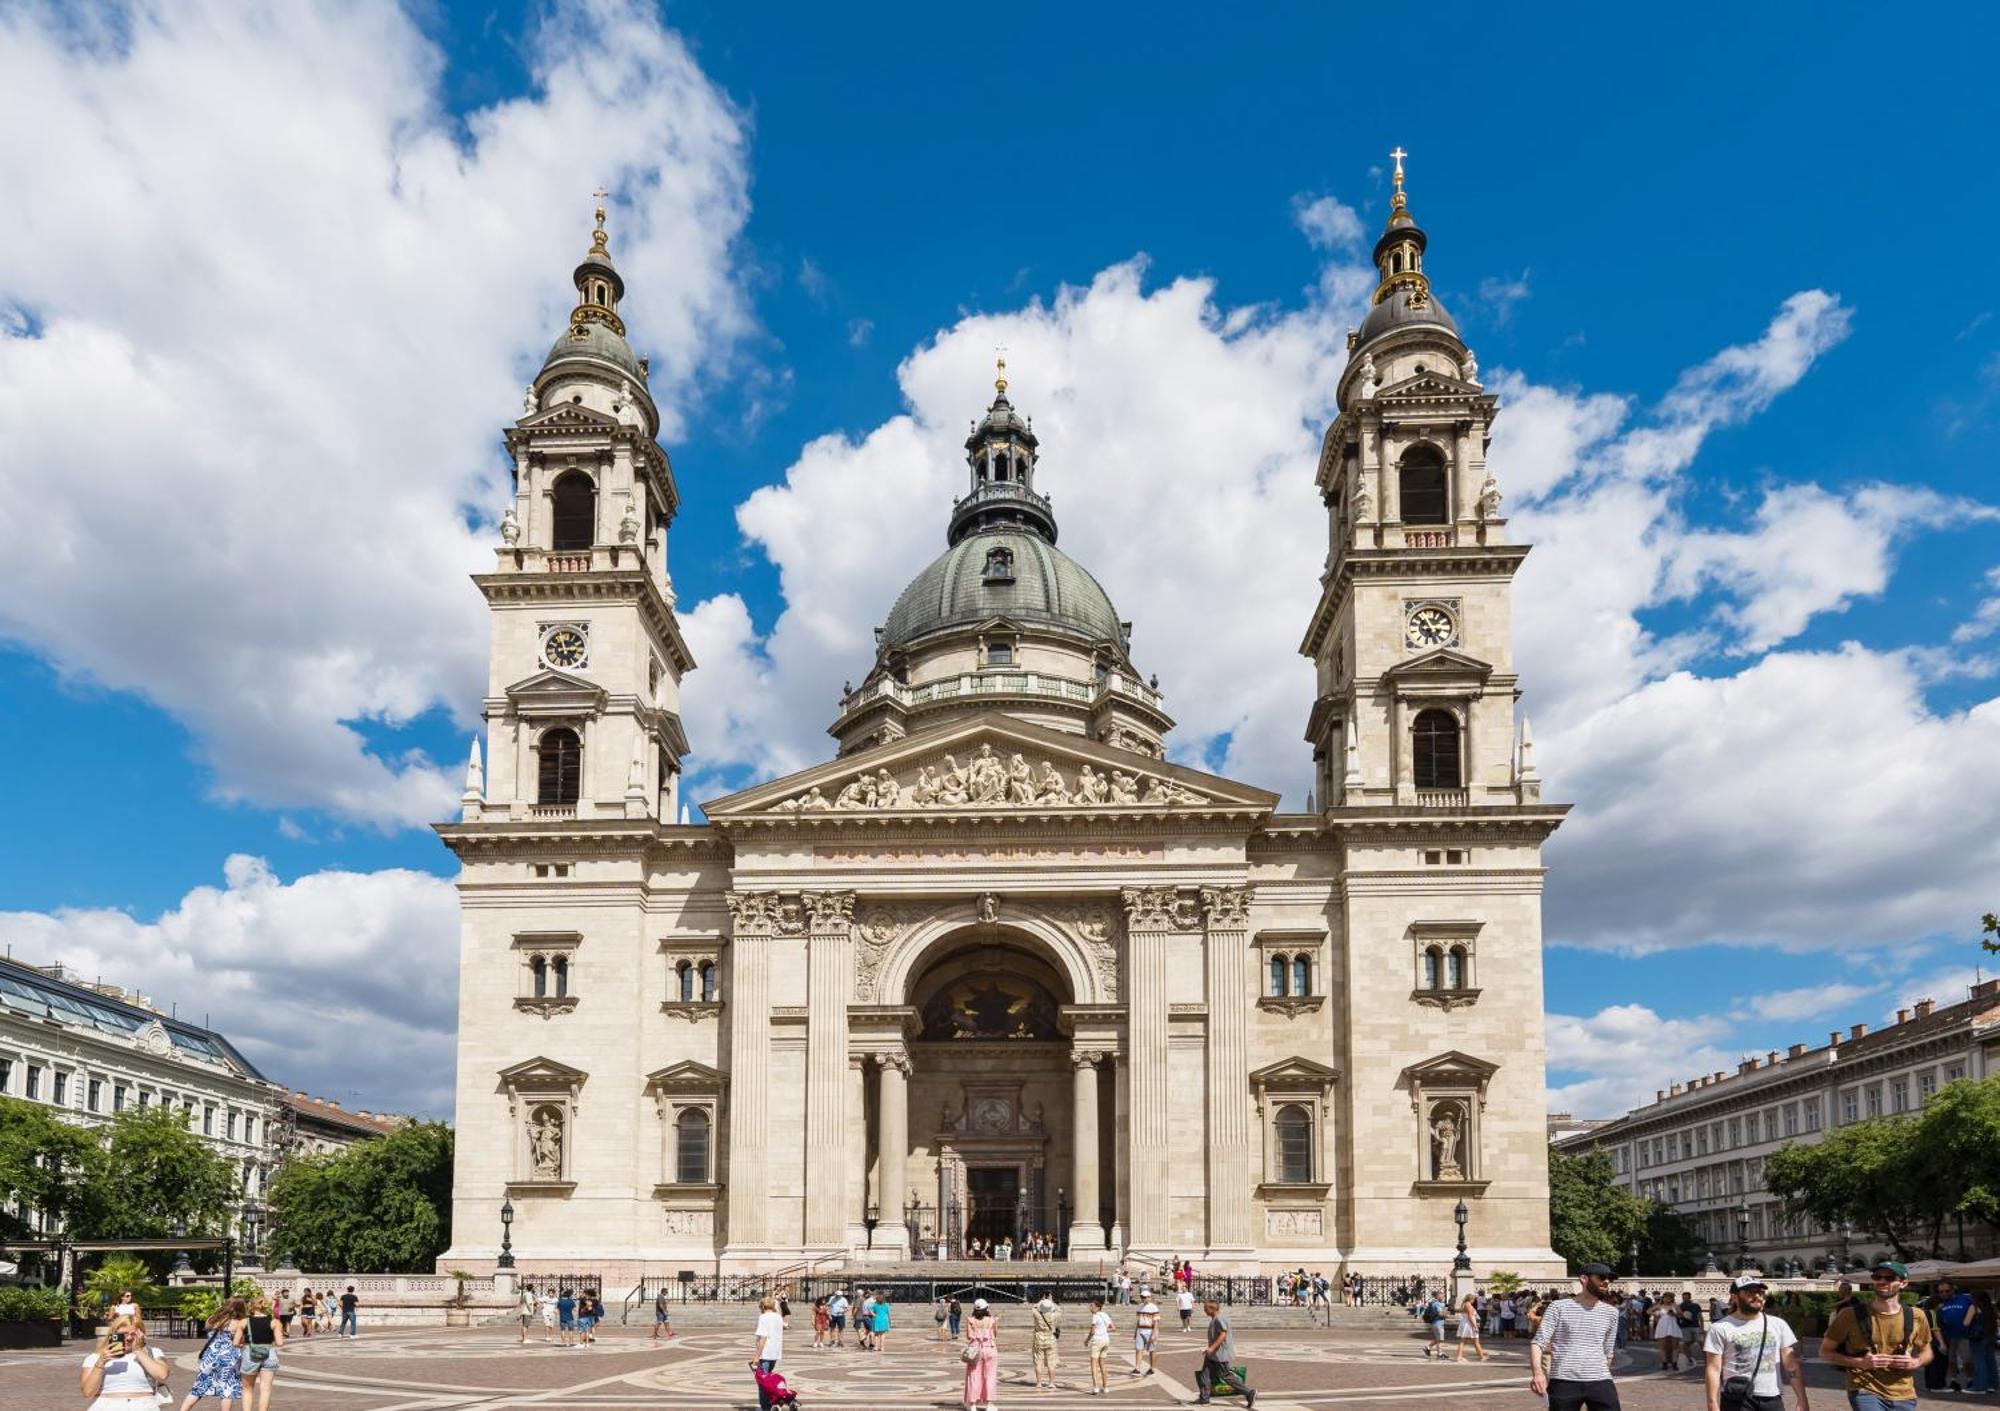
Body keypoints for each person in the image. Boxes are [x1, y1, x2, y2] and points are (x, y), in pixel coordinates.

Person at [1818, 1260, 1934, 1411]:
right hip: (1865, 1389)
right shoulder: (1850, 1314)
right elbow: (1825, 1352)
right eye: (1877, 1277)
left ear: (1903, 1283)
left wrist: (1915, 1362)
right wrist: (1860, 1362)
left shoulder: (1916, 1315)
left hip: (1904, 1392)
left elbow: (1927, 1352)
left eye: (1889, 1278)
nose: (1881, 1281)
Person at [1701, 1273, 1805, 1411]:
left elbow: (1790, 1364)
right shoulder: (1719, 1328)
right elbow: (1713, 1369)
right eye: (1750, 1292)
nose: (1757, 1296)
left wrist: (1802, 1399)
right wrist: (1712, 1404)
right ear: (1734, 1297)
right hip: (1737, 1399)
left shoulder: (1778, 1324)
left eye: (1760, 1292)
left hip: (1772, 1398)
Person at [1530, 1262, 1622, 1411]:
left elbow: (1608, 1351)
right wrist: (1538, 1373)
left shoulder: (1611, 1313)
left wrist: (1599, 1370)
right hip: (1564, 1381)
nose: (1606, 1282)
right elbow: (1538, 1342)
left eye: (1609, 1279)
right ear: (1584, 1279)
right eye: (1601, 1277)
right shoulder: (1558, 1307)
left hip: (1601, 1381)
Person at [83, 1316, 171, 1410]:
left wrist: (138, 1350)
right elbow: (88, 1392)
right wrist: (101, 1362)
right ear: (113, 1334)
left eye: (133, 1334)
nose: (129, 1338)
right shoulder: (95, 1358)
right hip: (107, 1405)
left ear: (141, 1334)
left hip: (144, 1405)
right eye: (123, 1334)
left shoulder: (152, 1352)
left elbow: (162, 1375)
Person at [178, 1299, 246, 1411]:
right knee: (227, 1389)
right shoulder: (238, 1323)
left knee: (199, 1387)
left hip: (211, 1355)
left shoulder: (212, 1320)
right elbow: (239, 1342)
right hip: (229, 1357)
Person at [1194, 1299, 1254, 1407]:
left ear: (1212, 1309)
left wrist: (1211, 1348)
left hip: (1219, 1355)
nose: (1204, 1310)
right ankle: (1204, 1398)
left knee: (1226, 1376)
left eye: (1205, 1308)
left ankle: (1249, 1393)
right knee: (1205, 1374)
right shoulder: (1217, 1319)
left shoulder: (1218, 1319)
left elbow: (1223, 1334)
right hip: (1213, 1355)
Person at [235, 1294, 285, 1411]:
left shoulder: (244, 1322)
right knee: (266, 1389)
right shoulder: (274, 1322)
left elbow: (235, 1342)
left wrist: (243, 1344)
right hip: (269, 1353)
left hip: (250, 1352)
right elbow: (280, 1343)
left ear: (251, 1306)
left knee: (247, 1389)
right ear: (265, 1306)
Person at [962, 1298, 999, 1411]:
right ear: (986, 1308)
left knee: (973, 1376)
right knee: (990, 1376)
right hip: (990, 1349)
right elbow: (995, 1334)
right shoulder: (992, 1320)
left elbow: (969, 1336)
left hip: (975, 1350)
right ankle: (989, 1404)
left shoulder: (970, 1320)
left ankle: (972, 1404)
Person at [1938, 1280, 1975, 1393]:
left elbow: (1976, 1308)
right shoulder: (1939, 1303)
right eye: (1941, 1292)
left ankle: (1971, 1380)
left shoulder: (1965, 1299)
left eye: (1947, 1291)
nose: (1944, 1293)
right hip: (1949, 1336)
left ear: (1953, 1290)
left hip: (1965, 1335)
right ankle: (1954, 1381)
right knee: (1951, 1360)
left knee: (1967, 1359)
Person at [752, 1295, 786, 1411]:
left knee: (763, 1382)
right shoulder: (778, 1317)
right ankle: (772, 1403)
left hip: (765, 1352)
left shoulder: (763, 1317)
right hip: (775, 1352)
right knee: (768, 1380)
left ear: (762, 1306)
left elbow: (763, 1337)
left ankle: (765, 1407)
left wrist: (757, 1355)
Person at [1030, 1292, 1062, 1390]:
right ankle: (1051, 1382)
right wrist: (1050, 1301)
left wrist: (1042, 1300)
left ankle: (1039, 1382)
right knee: (1051, 1361)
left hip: (1039, 1337)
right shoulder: (1054, 1315)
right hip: (1050, 1337)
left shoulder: (1036, 1313)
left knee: (1038, 1360)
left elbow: (1034, 1307)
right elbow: (1059, 1309)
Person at [1086, 1298, 1113, 1396]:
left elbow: (1092, 1331)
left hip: (1097, 1341)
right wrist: (1103, 1331)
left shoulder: (1095, 1316)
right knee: (1103, 1364)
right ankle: (1105, 1387)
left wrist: (1087, 1340)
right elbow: (1113, 1327)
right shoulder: (1105, 1315)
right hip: (1106, 1340)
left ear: (1097, 1307)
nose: (1090, 1308)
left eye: (1092, 1306)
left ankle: (1095, 1387)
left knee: (1094, 1364)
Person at [1652, 1291, 1683, 1372]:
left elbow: (1681, 1314)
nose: (1667, 1299)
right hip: (1662, 1325)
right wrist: (1656, 1314)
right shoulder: (1659, 1305)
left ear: (1672, 1299)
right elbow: (1648, 1311)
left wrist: (1674, 1314)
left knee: (1675, 1345)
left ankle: (1674, 1363)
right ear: (1663, 1298)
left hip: (1673, 1325)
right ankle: (1664, 1363)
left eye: (1669, 1298)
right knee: (1662, 1345)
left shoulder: (1675, 1306)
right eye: (1666, 1297)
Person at [1457, 1290, 1490, 1364]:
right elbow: (1470, 1316)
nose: (1474, 1301)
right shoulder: (1468, 1305)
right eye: (1473, 1299)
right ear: (1471, 1299)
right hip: (1469, 1324)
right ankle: (1481, 1357)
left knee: (1463, 1341)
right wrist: (1474, 1326)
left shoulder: (1464, 1304)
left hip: (1465, 1324)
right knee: (1476, 1341)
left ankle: (1459, 1356)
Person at [1133, 1289, 1160, 1376]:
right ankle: (1137, 1368)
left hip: (1150, 1330)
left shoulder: (1154, 1307)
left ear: (1149, 1298)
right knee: (1139, 1349)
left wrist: (1154, 1334)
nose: (1143, 1299)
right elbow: (1138, 1320)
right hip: (1140, 1329)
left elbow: (1156, 1322)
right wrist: (1135, 1331)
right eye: (1142, 1297)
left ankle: (1152, 1368)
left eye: (1145, 1297)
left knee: (1152, 1350)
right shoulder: (1139, 1306)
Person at [1420, 1291, 1449, 1360]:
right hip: (1438, 1323)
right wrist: (1447, 1313)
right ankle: (1439, 1354)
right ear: (1437, 1296)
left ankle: (1428, 1348)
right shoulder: (1437, 1304)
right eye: (1441, 1296)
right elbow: (1440, 1314)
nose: (1443, 1297)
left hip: (1436, 1323)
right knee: (1440, 1340)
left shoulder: (1434, 1303)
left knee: (1437, 1339)